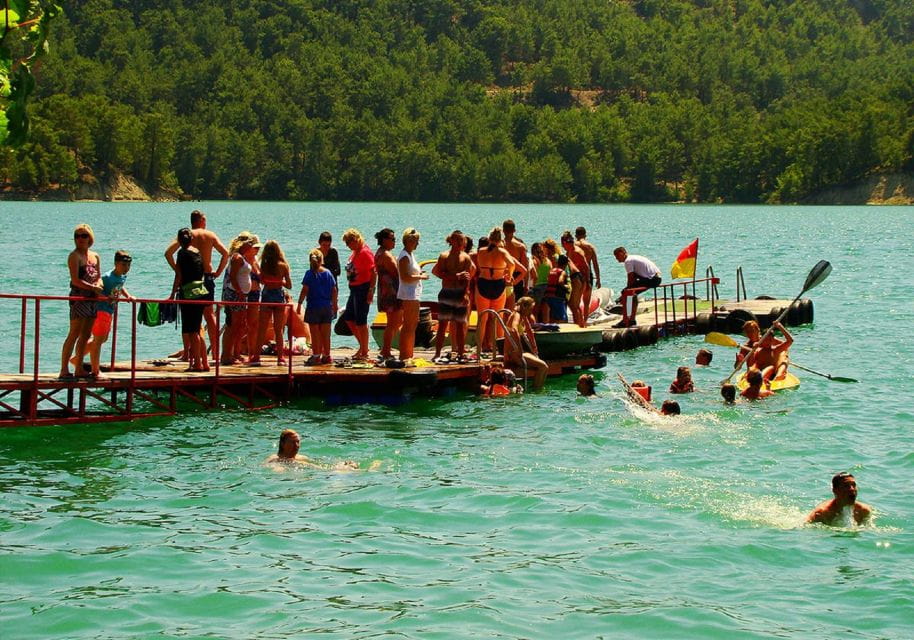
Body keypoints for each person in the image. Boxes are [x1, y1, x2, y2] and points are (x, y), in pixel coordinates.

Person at [164, 210, 229, 362]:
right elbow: (226, 253)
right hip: (207, 277)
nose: (206, 222)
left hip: (190, 280)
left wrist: (178, 270)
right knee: (209, 315)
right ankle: (215, 354)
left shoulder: (187, 235)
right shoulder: (210, 235)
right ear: (200, 220)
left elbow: (168, 253)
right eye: (205, 220)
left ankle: (188, 354)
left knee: (190, 318)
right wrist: (218, 272)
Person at [60, 223, 104, 379]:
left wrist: (99, 285)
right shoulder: (74, 256)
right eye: (77, 236)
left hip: (92, 299)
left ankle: (79, 368)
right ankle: (64, 369)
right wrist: (92, 287)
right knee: (74, 333)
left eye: (84, 235)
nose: (80, 239)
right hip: (79, 298)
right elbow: (75, 280)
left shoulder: (95, 256)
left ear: (90, 238)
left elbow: (98, 276)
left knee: (86, 335)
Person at [82, 250, 134, 378]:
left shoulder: (122, 276)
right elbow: (97, 289)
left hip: (110, 310)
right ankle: (95, 370)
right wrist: (105, 297)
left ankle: (77, 358)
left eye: (128, 265)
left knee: (102, 339)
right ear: (116, 263)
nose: (126, 268)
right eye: (123, 265)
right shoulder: (107, 277)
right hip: (101, 309)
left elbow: (120, 286)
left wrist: (128, 296)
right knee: (98, 340)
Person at [475, 227, 526, 358]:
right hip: (498, 283)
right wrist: (509, 275)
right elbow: (512, 264)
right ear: (500, 239)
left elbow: (478, 265)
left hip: (483, 283)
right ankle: (500, 350)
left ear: (489, 238)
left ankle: (479, 350)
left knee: (482, 319)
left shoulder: (481, 251)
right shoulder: (502, 252)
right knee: (498, 318)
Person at [432, 230, 474, 363]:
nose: (461, 243)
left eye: (463, 240)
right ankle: (437, 353)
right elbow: (438, 273)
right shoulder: (444, 256)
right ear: (452, 241)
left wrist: (466, 293)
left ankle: (460, 353)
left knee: (460, 325)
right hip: (447, 293)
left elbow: (468, 277)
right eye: (458, 240)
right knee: (443, 325)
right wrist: (455, 276)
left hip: (460, 293)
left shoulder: (466, 257)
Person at [172, 228, 210, 372]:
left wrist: (172, 293)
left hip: (188, 294)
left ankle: (197, 364)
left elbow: (179, 275)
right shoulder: (197, 252)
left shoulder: (182, 253)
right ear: (191, 239)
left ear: (179, 240)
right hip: (200, 291)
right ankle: (205, 363)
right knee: (198, 329)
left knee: (192, 332)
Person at [220, 232, 260, 365]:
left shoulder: (242, 257)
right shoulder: (237, 258)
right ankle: (226, 355)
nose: (251, 246)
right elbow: (232, 277)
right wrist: (239, 291)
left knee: (239, 325)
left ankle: (233, 354)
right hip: (235, 294)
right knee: (233, 324)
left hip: (241, 295)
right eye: (250, 244)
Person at [250, 240, 292, 366]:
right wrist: (280, 281)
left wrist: (269, 280)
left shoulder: (264, 265)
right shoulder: (283, 266)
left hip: (267, 295)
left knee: (262, 328)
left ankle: (256, 356)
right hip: (278, 296)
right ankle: (280, 358)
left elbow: (262, 281)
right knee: (278, 329)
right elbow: (289, 285)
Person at [297, 249, 338, 365]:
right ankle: (327, 355)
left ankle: (316, 356)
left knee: (315, 334)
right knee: (326, 334)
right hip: (327, 307)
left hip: (313, 306)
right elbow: (334, 290)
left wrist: (299, 304)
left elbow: (305, 290)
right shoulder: (328, 273)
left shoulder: (309, 274)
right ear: (322, 260)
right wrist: (334, 305)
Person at [341, 228, 376, 361]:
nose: (347, 246)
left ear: (355, 240)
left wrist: (371, 291)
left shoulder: (365, 252)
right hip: (354, 288)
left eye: (348, 243)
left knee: (361, 320)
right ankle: (362, 345)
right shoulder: (355, 252)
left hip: (363, 288)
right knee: (349, 318)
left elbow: (374, 272)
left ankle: (364, 351)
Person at [396, 228, 428, 361]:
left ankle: (409, 354)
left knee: (413, 324)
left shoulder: (410, 255)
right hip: (408, 294)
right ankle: (405, 355)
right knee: (408, 325)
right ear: (408, 241)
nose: (417, 244)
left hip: (413, 293)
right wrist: (421, 277)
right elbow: (405, 277)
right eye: (415, 241)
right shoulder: (404, 256)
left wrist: (419, 274)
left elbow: (411, 273)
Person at [503, 296, 548, 390]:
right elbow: (514, 329)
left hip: (517, 352)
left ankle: (536, 388)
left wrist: (534, 348)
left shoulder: (523, 316)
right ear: (524, 307)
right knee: (543, 367)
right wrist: (519, 349)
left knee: (543, 367)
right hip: (513, 353)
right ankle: (535, 391)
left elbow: (529, 330)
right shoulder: (517, 315)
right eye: (530, 308)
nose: (531, 311)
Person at [613, 247, 661, 328]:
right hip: (655, 278)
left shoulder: (628, 261)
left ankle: (625, 320)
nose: (616, 259)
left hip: (652, 279)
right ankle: (631, 320)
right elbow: (634, 278)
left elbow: (630, 277)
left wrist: (626, 291)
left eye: (617, 256)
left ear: (622, 253)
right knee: (631, 294)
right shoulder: (633, 258)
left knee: (626, 293)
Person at [265, 429, 358, 470]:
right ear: (282, 443)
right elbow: (272, 469)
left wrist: (337, 465)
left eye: (298, 442)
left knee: (350, 465)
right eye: (292, 442)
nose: (296, 445)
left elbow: (321, 464)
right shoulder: (275, 459)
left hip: (320, 473)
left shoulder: (301, 458)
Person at [373, 228, 401, 362]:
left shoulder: (380, 253)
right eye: (392, 239)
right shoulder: (386, 255)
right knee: (393, 322)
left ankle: (385, 349)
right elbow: (397, 273)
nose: (394, 242)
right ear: (384, 240)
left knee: (395, 321)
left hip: (386, 290)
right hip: (391, 291)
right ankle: (386, 351)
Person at [807, 472, 873, 526]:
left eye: (854, 485)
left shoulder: (864, 511)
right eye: (846, 486)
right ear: (835, 490)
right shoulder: (822, 513)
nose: (852, 489)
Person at [561, 231, 590, 327]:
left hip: (579, 278)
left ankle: (580, 325)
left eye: (563, 244)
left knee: (574, 305)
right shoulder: (569, 251)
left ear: (565, 243)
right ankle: (580, 323)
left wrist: (588, 282)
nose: (563, 247)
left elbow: (586, 267)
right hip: (575, 278)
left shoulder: (576, 252)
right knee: (573, 304)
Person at [502, 219, 529, 308]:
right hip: (516, 278)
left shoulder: (499, 245)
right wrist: (526, 285)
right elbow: (525, 267)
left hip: (502, 276)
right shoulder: (520, 246)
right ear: (514, 230)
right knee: (515, 308)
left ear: (503, 230)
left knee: (500, 307)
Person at [544, 254, 570, 323]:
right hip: (557, 296)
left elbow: (548, 280)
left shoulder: (552, 270)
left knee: (553, 316)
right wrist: (566, 286)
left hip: (548, 296)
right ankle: (561, 328)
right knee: (562, 318)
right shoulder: (562, 272)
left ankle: (553, 327)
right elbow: (560, 281)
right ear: (565, 264)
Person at [529, 242, 551, 322]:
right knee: (545, 310)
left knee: (535, 311)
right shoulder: (547, 261)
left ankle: (535, 325)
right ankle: (546, 325)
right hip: (546, 286)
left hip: (537, 286)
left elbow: (534, 275)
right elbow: (550, 273)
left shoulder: (533, 260)